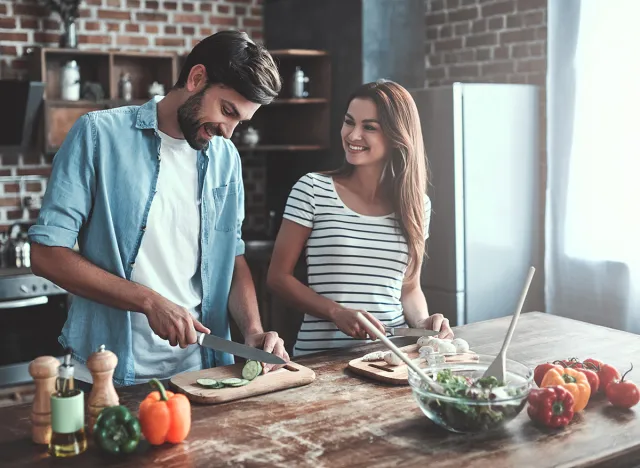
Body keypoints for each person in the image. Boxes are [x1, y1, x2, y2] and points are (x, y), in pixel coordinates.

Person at [28, 30, 289, 386]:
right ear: (196, 78)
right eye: (227, 111)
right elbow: (45, 254)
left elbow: (233, 256)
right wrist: (149, 301)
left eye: (240, 122)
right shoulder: (97, 136)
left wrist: (254, 331)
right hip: (108, 372)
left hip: (202, 373)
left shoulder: (226, 158)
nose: (228, 132)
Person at [267, 80, 454, 356]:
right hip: (321, 358)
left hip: (391, 357)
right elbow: (278, 278)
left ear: (395, 136)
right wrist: (336, 312)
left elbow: (409, 288)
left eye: (369, 127)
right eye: (349, 122)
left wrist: (424, 323)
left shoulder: (417, 205)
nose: (353, 135)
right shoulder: (312, 189)